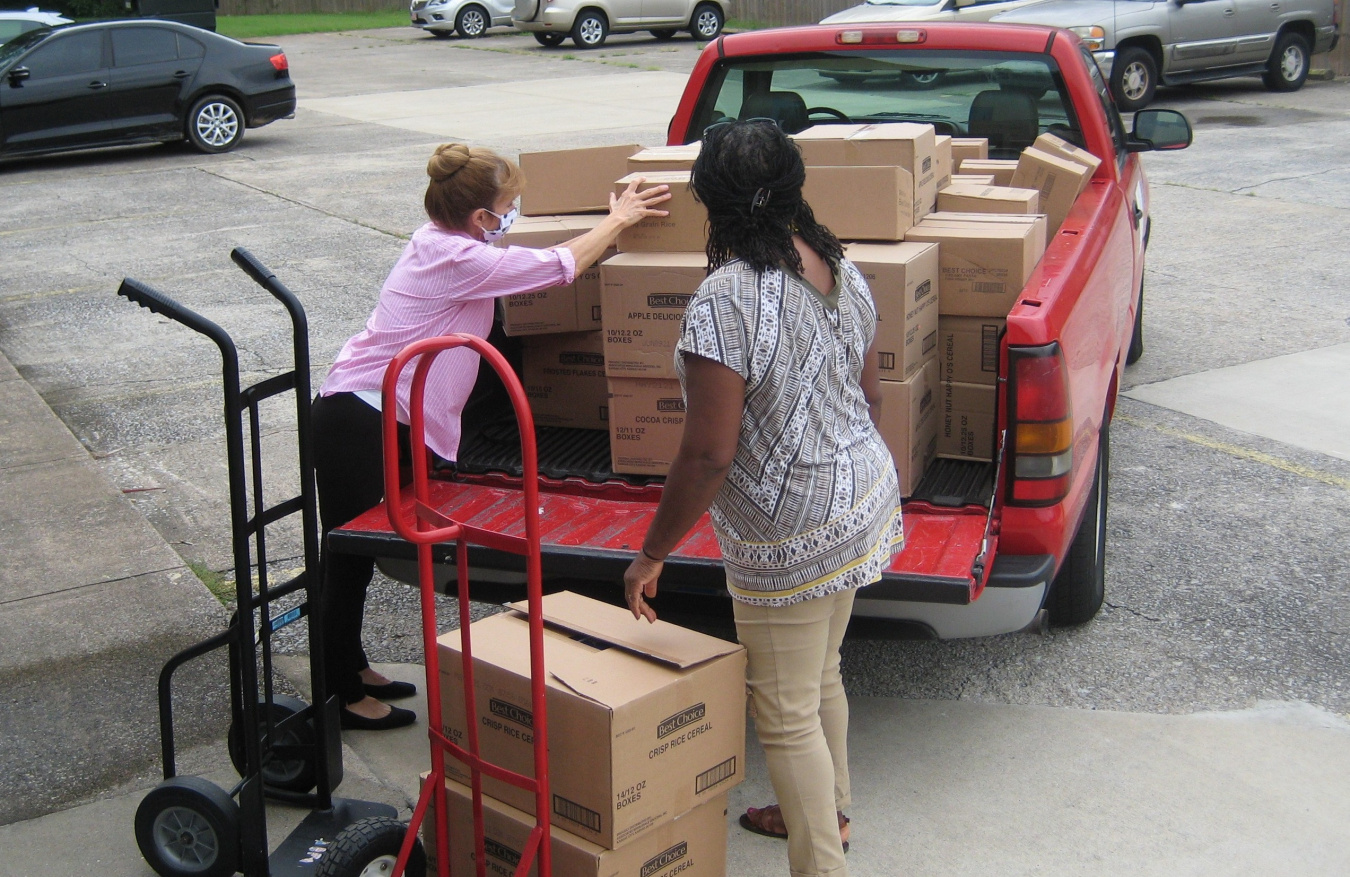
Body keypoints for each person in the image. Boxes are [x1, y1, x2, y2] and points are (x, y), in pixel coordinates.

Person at [620, 119, 903, 877]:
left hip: (792, 533)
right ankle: (827, 811)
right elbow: (871, 396)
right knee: (819, 677)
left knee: (783, 712)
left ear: (709, 199)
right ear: (794, 185)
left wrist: (651, 553)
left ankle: (821, 862)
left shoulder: (727, 298)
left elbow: (710, 452)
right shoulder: (840, 266)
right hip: (863, 494)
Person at [314, 143, 670, 731]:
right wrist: (618, 219)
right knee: (348, 555)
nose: (513, 216)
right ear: (482, 217)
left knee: (361, 554)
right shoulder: (456, 258)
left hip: (388, 414)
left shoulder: (448, 244)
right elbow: (558, 267)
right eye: (509, 207)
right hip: (363, 415)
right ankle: (339, 690)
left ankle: (352, 667)